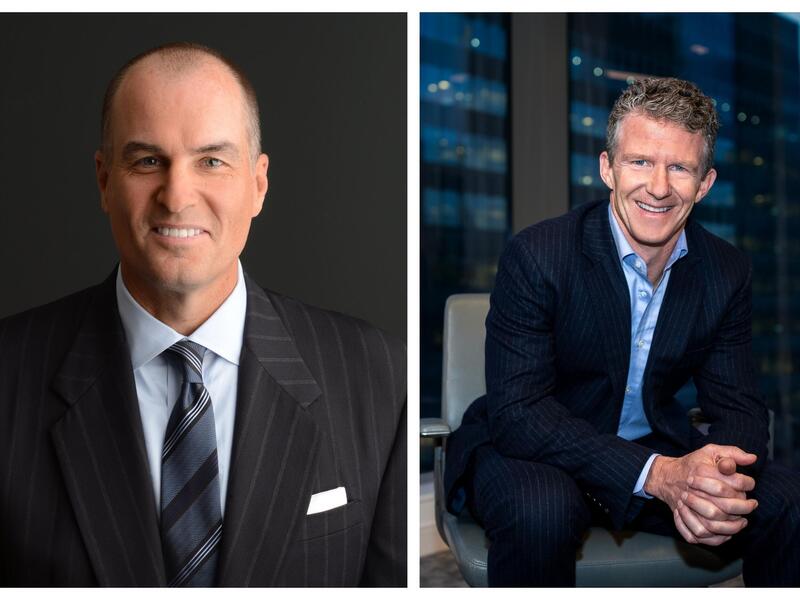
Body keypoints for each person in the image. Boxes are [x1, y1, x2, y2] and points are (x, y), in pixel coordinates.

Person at [0, 42, 406, 587]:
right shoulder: (9, 373)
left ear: (258, 184)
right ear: (103, 181)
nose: (176, 195)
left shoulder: (378, 374)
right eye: (148, 161)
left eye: (211, 161)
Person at [444, 77, 800, 586]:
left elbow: (740, 407)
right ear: (607, 168)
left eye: (679, 167)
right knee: (542, 509)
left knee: (789, 502)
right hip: (537, 454)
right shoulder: (539, 255)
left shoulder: (726, 271)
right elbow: (520, 414)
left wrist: (714, 478)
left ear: (705, 183)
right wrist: (658, 474)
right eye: (639, 162)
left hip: (653, 446)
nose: (658, 187)